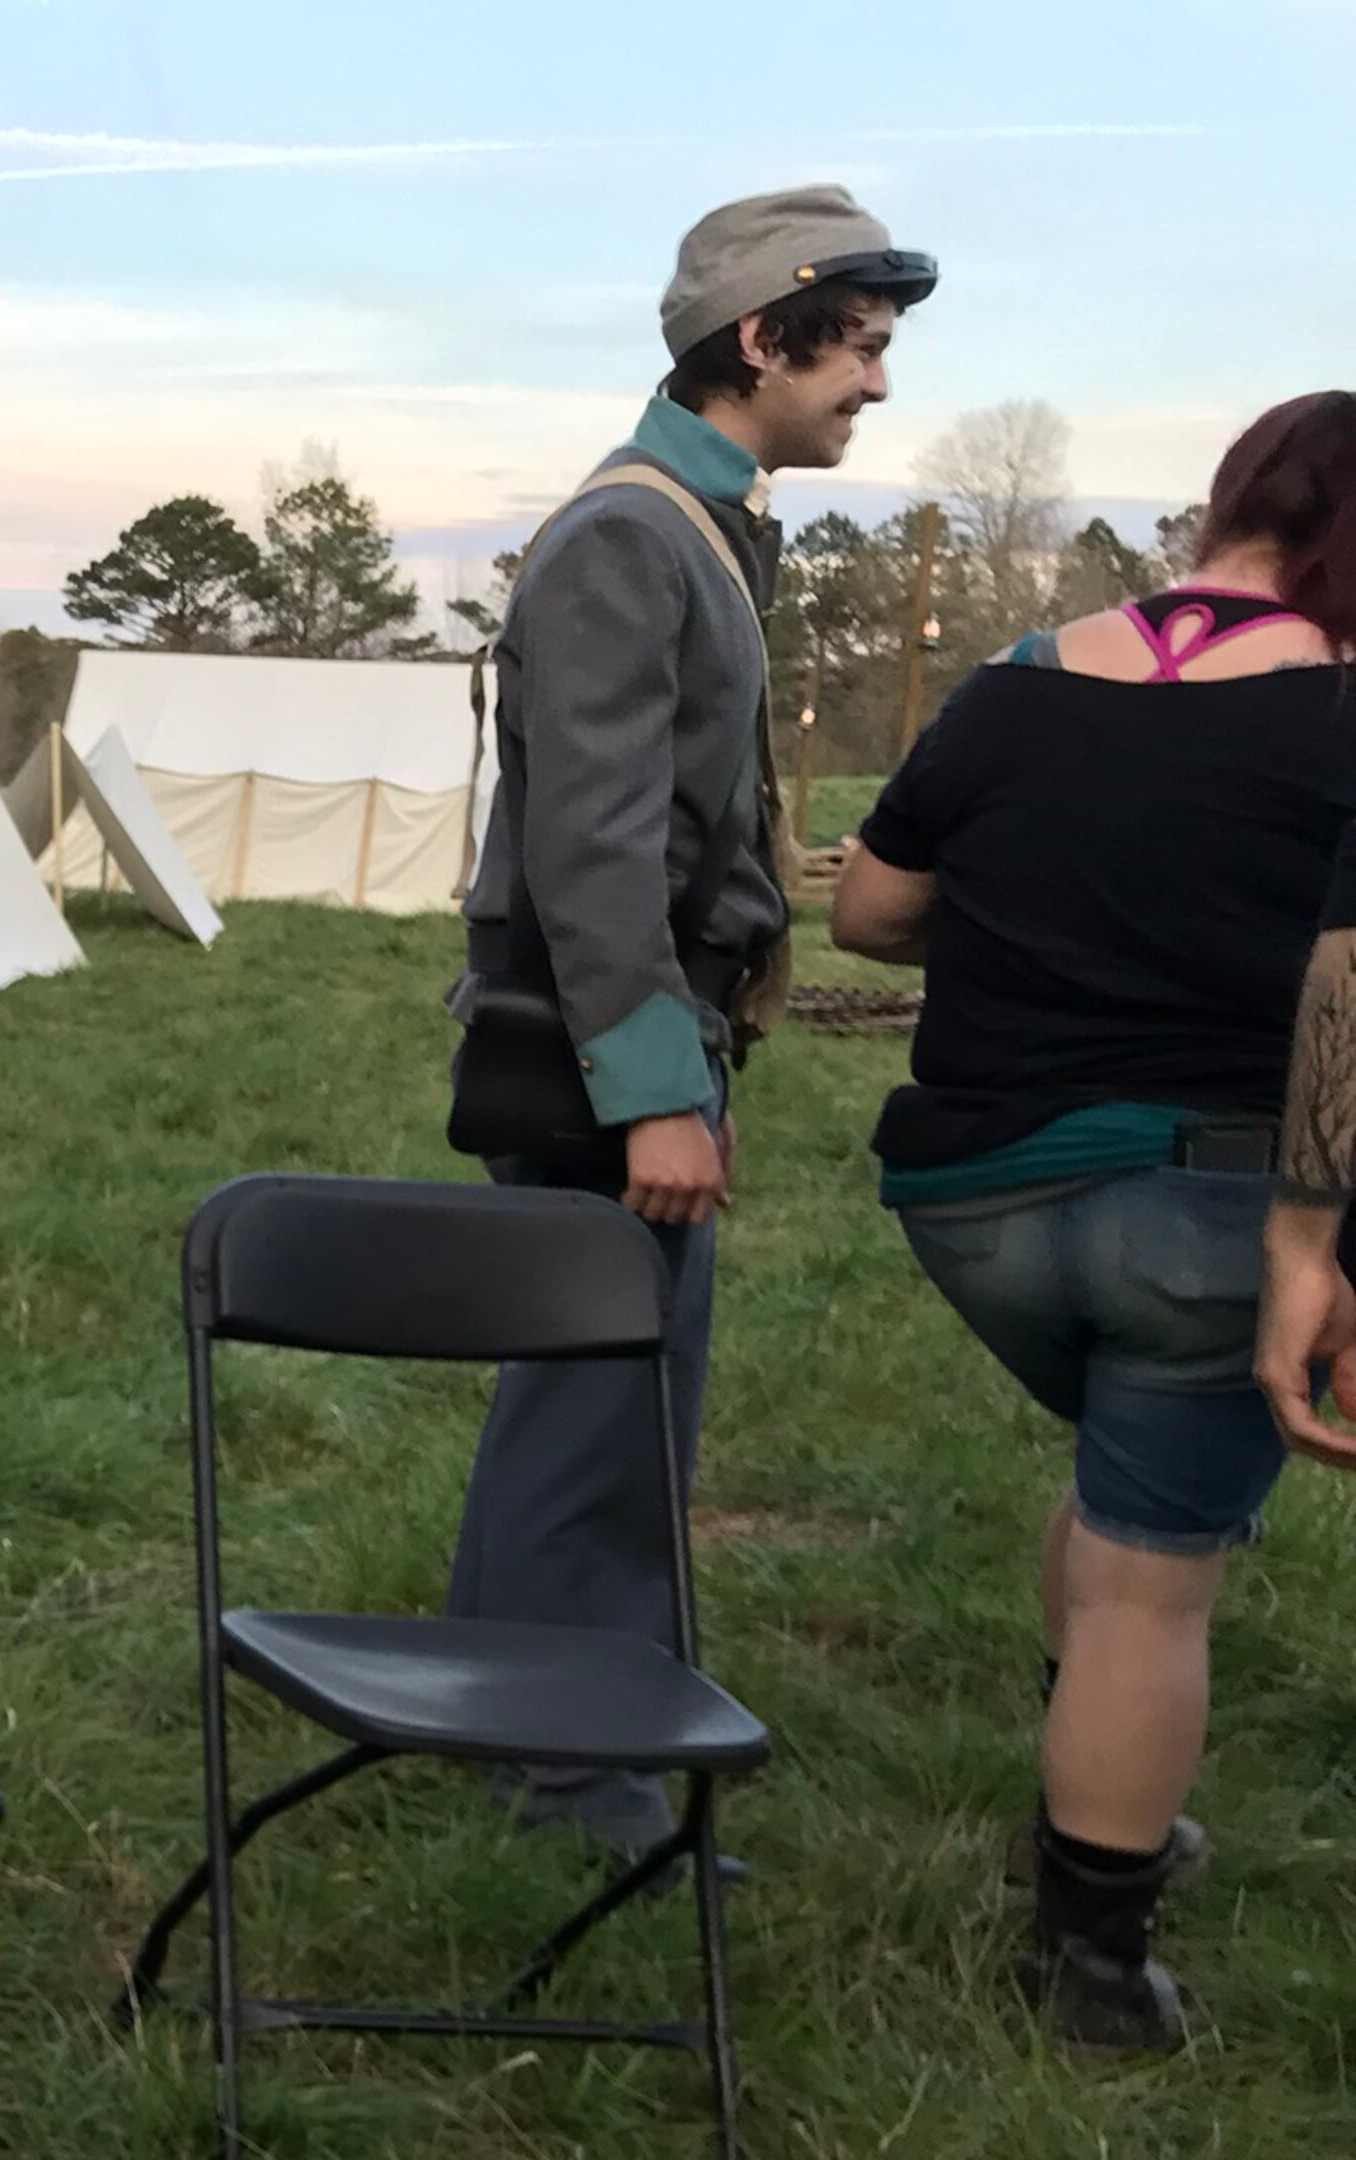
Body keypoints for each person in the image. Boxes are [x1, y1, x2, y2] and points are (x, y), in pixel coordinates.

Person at [834, 389, 1356, 2053]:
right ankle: (1094, 1973)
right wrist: (1307, 1247)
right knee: (1155, 1583)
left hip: (972, 1201)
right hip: (1201, 1215)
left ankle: (1092, 1784)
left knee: (1117, 1493)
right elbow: (1350, 993)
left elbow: (870, 907)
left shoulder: (1015, 687)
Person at [444, 184, 934, 1859]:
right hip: (603, 1059)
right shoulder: (629, 535)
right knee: (607, 1409)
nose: (872, 383)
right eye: (854, 346)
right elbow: (591, 843)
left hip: (638, 1046)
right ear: (759, 338)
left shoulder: (699, 529)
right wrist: (656, 1088)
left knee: (589, 1398)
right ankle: (573, 1777)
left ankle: (515, 1726)